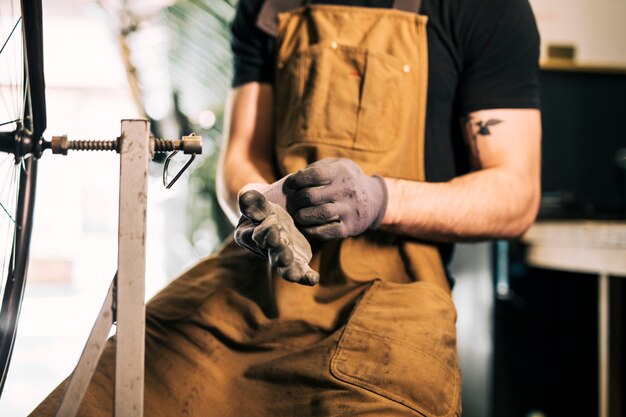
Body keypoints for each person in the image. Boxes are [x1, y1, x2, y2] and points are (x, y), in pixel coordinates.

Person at [31, 0, 540, 415]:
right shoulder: (269, 4)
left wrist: (382, 199)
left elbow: (516, 195)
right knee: (89, 402)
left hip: (390, 297)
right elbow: (242, 153)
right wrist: (257, 203)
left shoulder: (486, 9)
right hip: (246, 284)